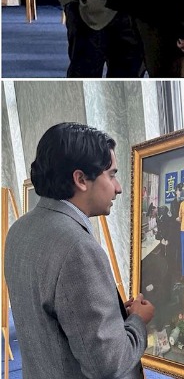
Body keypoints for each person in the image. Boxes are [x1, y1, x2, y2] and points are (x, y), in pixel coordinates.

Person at [4, 122, 155, 378]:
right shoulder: (77, 249)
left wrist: (115, 317)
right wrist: (138, 320)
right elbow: (107, 364)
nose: (118, 187)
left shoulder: (19, 230)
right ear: (81, 179)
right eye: (111, 175)